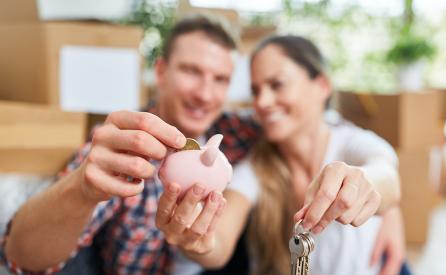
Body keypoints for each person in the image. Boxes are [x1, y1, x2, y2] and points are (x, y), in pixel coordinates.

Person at [0, 14, 406, 275]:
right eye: (192, 72)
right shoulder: (123, 146)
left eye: (220, 80)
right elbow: (20, 257)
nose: (205, 93)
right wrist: (82, 189)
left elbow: (329, 134)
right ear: (161, 71)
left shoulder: (240, 130)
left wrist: (387, 205)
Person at [162, 35, 401, 275]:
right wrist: (197, 241)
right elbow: (219, 243)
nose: (262, 102)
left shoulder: (353, 143)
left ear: (322, 86)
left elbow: (386, 176)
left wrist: (363, 183)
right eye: (256, 91)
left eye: (277, 84)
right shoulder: (256, 167)